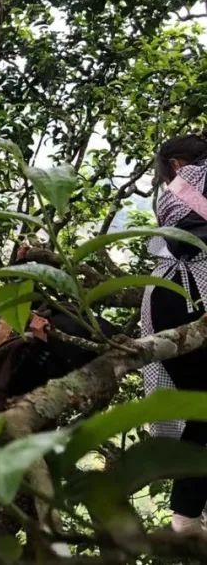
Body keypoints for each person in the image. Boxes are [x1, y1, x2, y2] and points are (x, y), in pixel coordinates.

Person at [141, 134, 207, 535]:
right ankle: (186, 513)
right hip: (185, 298)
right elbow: (187, 244)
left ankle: (187, 514)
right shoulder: (187, 188)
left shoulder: (184, 184)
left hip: (172, 298)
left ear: (176, 164)